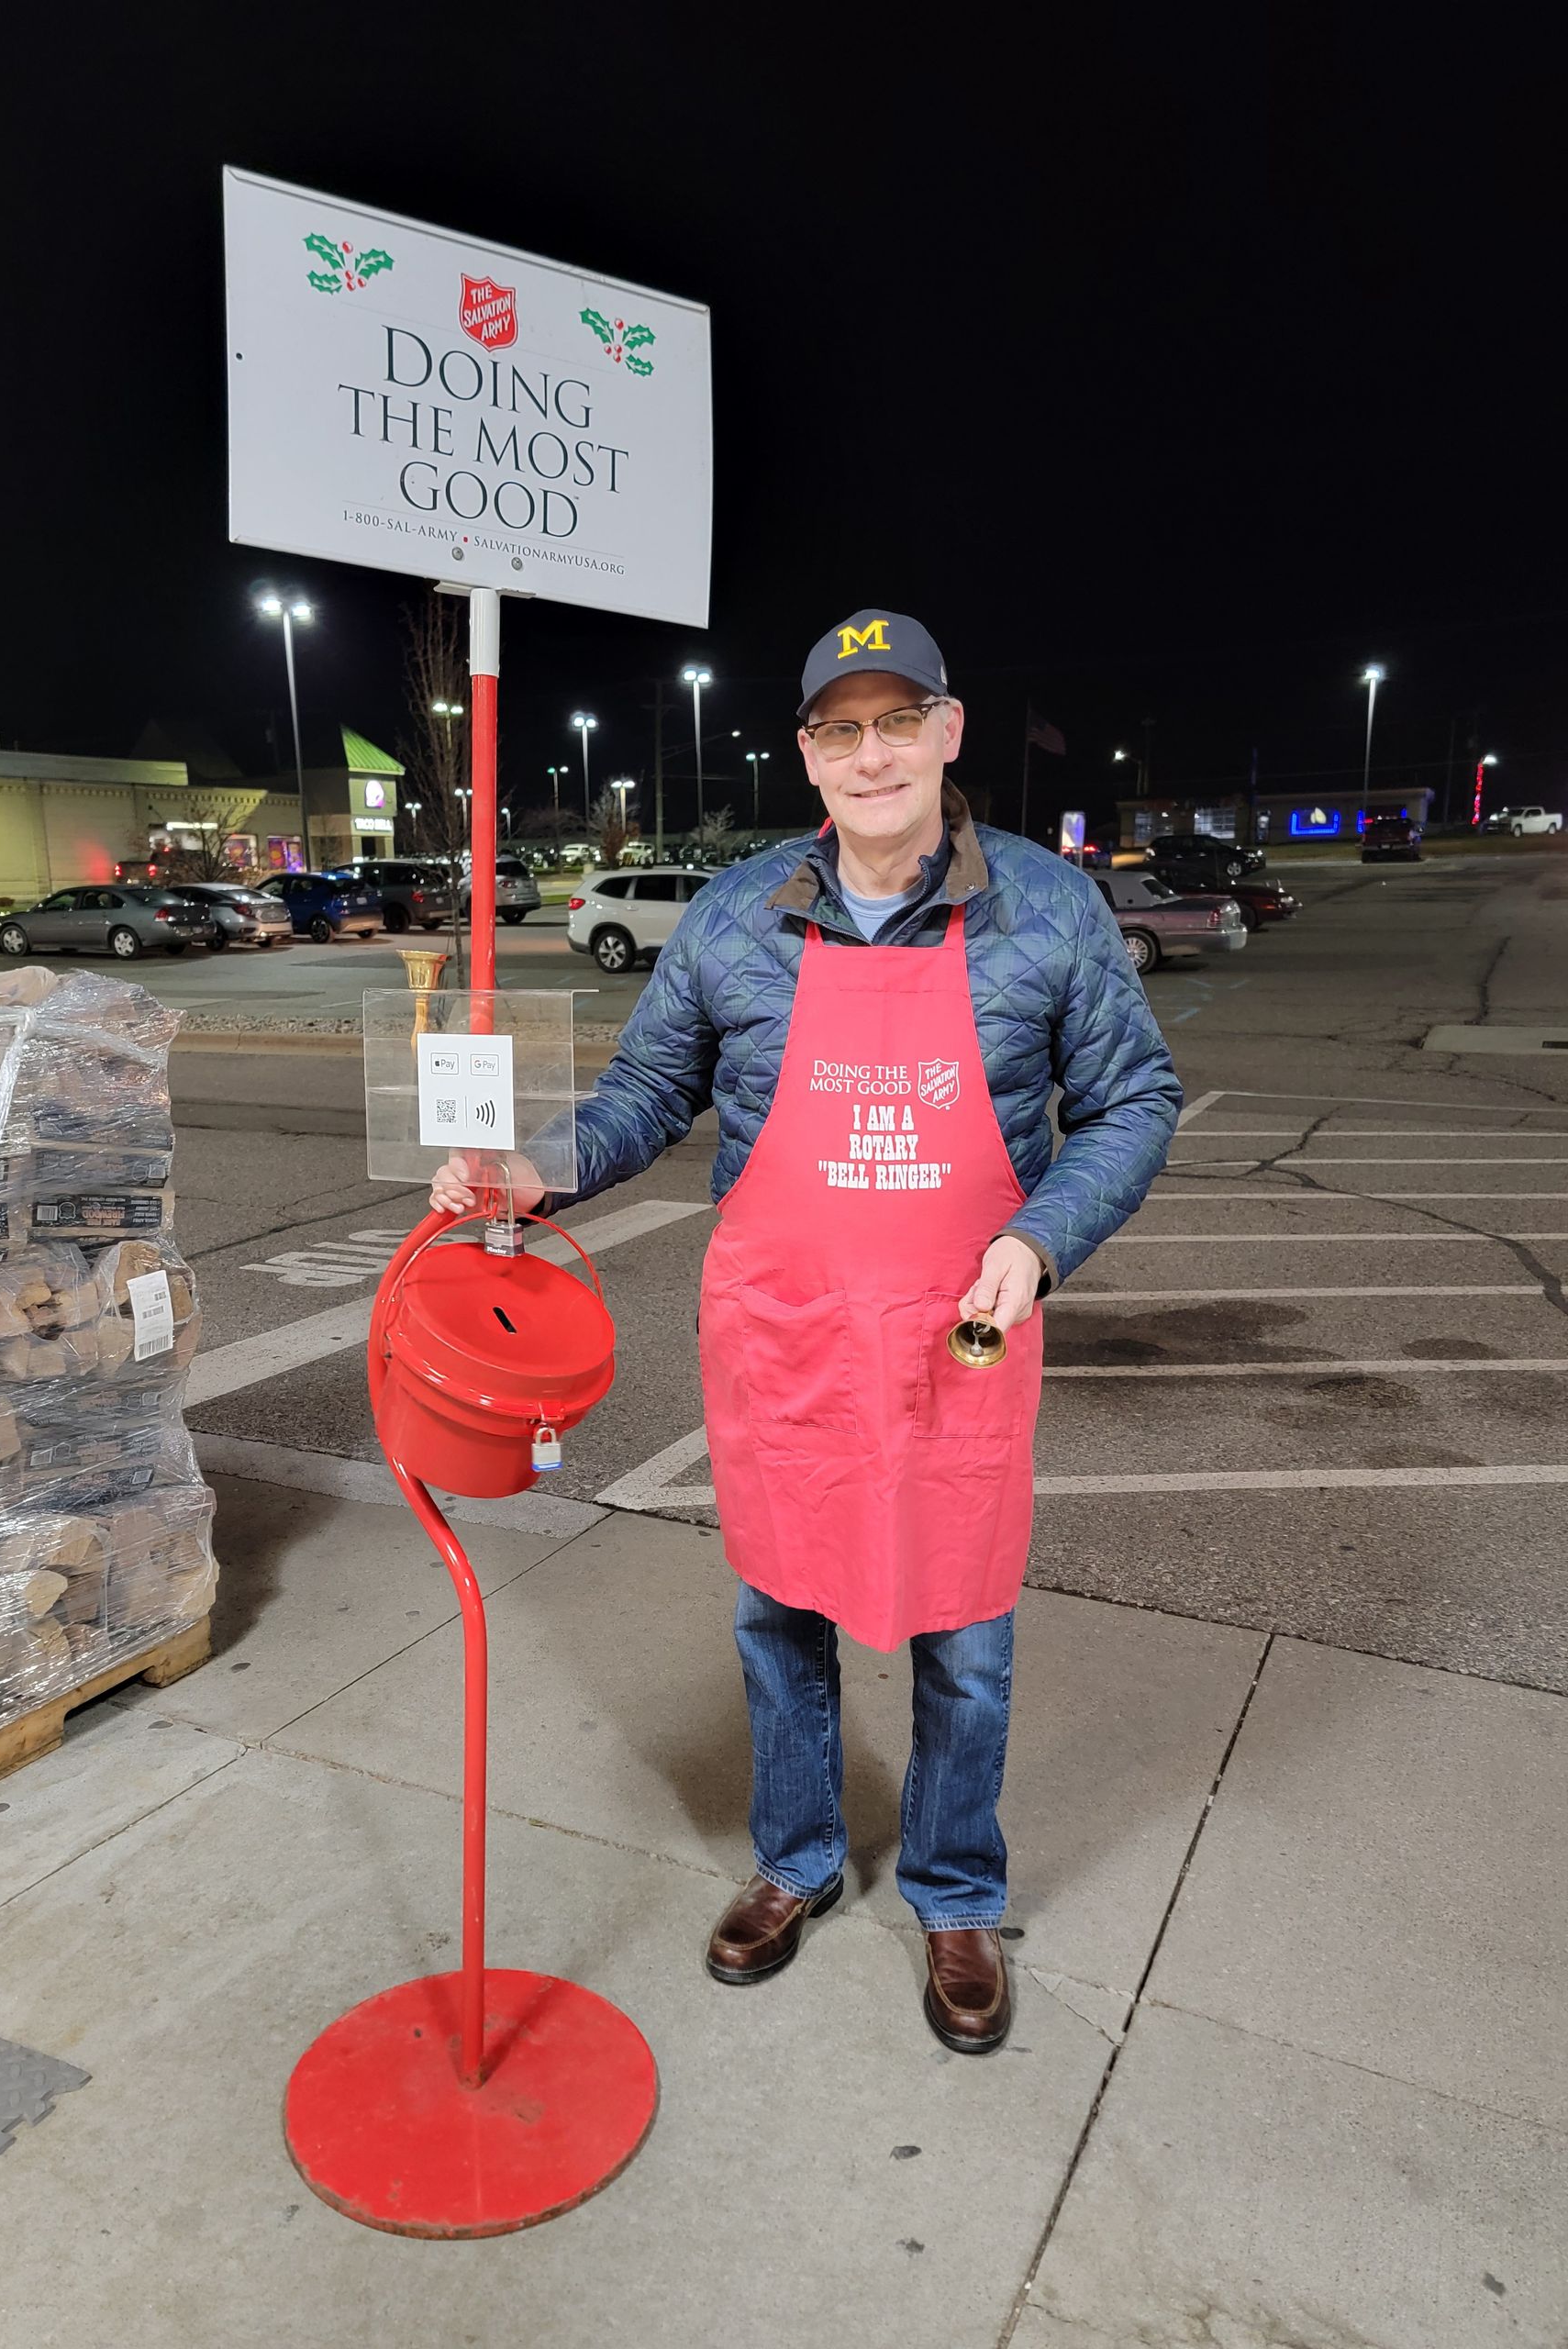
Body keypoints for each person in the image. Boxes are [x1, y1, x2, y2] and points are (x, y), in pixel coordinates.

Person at [431, 608, 1181, 2054]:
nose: (873, 751)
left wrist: (1038, 1241)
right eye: (842, 728)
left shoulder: (1045, 909)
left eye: (900, 721)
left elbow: (1135, 1101)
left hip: (961, 1329)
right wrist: (533, 1167)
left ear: (950, 733)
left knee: (962, 1632)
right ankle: (797, 1861)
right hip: (785, 1338)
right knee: (781, 1611)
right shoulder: (737, 917)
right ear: (808, 757)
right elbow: (651, 1091)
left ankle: (958, 1890)